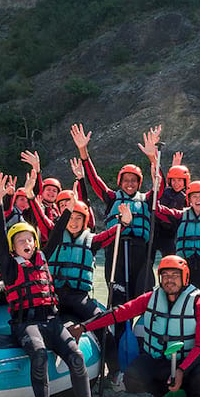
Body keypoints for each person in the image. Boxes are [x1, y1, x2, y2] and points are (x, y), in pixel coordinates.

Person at [0, 173, 114, 397]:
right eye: (20, 241)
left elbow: (57, 231)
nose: (26, 243)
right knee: (38, 355)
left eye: (29, 239)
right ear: (13, 247)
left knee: (77, 357)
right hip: (26, 324)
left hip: (52, 321)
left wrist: (70, 206)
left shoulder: (44, 256)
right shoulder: (10, 266)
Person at [69, 255, 200, 397]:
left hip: (185, 362)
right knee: (132, 378)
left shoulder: (199, 304)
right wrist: (84, 327)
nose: (169, 280)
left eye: (175, 275)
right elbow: (119, 313)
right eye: (165, 276)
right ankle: (160, 396)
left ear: (185, 277)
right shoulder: (151, 298)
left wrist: (181, 370)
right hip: (157, 359)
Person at [70, 123, 163, 307]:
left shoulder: (147, 199)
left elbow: (159, 183)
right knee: (118, 302)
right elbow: (94, 179)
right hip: (116, 253)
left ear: (139, 183)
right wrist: (83, 150)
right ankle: (118, 333)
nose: (130, 184)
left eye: (134, 181)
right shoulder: (112, 198)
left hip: (141, 254)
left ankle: (144, 333)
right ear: (120, 182)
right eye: (126, 180)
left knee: (147, 301)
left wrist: (153, 157)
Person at [47, 198, 132, 384]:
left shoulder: (91, 241)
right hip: (55, 296)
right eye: (71, 218)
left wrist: (124, 222)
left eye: (79, 218)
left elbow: (111, 234)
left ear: (85, 221)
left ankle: (115, 372)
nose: (74, 222)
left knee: (104, 326)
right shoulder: (54, 236)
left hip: (80, 298)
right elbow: (39, 217)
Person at [152, 157, 189, 259]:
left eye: (180, 180)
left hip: (170, 235)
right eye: (174, 180)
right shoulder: (164, 191)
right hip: (155, 231)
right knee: (148, 260)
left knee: (171, 259)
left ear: (185, 181)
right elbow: (161, 179)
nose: (176, 184)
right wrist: (154, 160)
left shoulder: (186, 197)